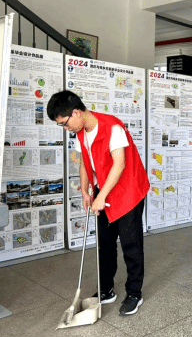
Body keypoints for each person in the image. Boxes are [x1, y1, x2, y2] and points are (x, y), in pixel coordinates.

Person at [47, 91, 150, 316]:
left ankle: (134, 293)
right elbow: (85, 163)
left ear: (76, 112)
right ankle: (106, 290)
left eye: (64, 123)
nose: (65, 128)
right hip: (105, 191)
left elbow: (119, 164)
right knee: (105, 244)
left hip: (128, 192)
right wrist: (86, 191)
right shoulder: (81, 133)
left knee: (131, 245)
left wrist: (101, 196)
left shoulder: (112, 127)